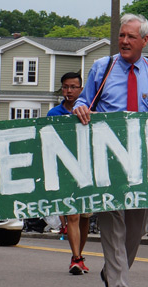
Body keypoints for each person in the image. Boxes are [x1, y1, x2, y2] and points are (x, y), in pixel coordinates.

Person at [72, 13, 148, 287]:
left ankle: (112, 272)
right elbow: (84, 101)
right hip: (107, 165)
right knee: (112, 227)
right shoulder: (103, 68)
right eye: (121, 35)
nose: (123, 41)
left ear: (144, 41)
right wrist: (82, 109)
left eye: (130, 37)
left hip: (142, 167)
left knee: (135, 232)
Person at [47, 72, 92, 275]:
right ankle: (76, 258)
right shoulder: (54, 114)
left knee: (84, 218)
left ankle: (79, 255)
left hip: (88, 172)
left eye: (73, 87)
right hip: (65, 172)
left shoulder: (89, 111)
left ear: (81, 89)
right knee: (72, 215)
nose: (69, 91)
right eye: (65, 87)